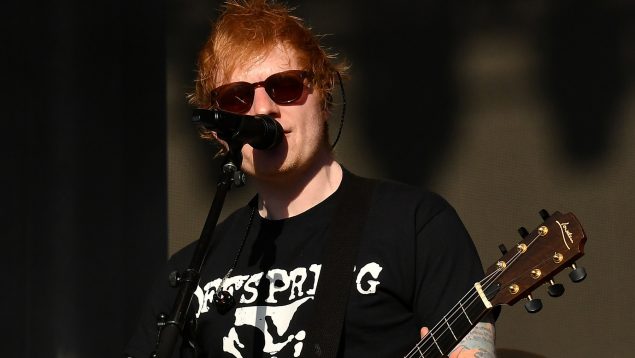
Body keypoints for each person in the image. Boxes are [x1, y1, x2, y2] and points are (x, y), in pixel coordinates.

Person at [125, 0, 496, 357]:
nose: (263, 109)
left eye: (284, 87)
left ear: (324, 92)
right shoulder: (191, 270)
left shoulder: (415, 225)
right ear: (218, 129)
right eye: (236, 99)